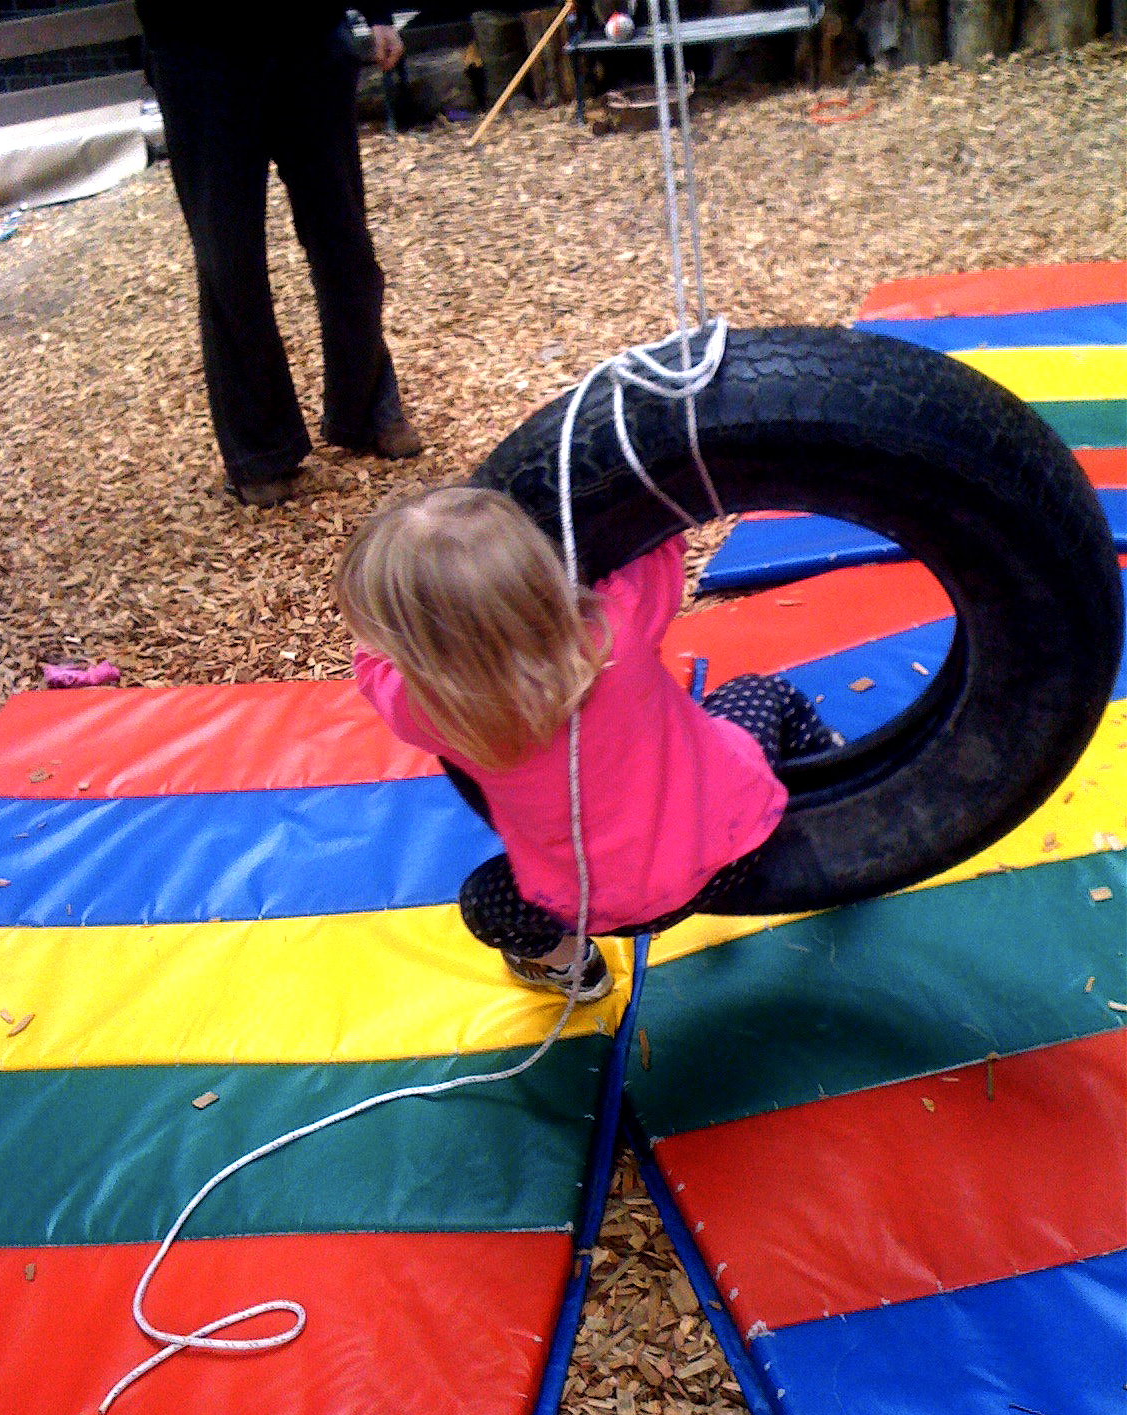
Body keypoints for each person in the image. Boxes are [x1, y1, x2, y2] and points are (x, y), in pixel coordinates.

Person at [335, 485, 841, 1002]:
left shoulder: (425, 707)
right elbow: (660, 541)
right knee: (759, 693)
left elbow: (371, 662)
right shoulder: (614, 625)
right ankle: (834, 784)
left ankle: (573, 969)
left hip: (593, 907)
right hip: (735, 843)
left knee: (483, 905)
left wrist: (399, 632)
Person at [136, 4, 423, 507]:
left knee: (345, 241)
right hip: (198, 51)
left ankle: (367, 406)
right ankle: (261, 449)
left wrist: (377, 11)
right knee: (230, 262)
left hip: (308, 35)